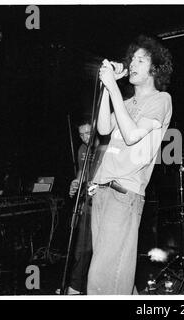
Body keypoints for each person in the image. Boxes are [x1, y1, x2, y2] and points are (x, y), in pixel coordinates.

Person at [87, 35, 173, 295]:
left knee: (103, 276)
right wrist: (106, 88)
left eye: (140, 59)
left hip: (124, 193)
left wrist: (113, 86)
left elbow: (132, 135)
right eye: (131, 59)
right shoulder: (125, 103)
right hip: (103, 189)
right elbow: (103, 127)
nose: (132, 63)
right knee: (113, 271)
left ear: (155, 68)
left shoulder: (161, 99)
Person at [59, 119, 107, 294]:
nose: (85, 137)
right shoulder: (82, 149)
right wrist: (76, 182)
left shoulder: (105, 147)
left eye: (88, 133)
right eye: (81, 134)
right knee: (82, 246)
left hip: (103, 201)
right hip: (87, 201)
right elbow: (81, 171)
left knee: (100, 248)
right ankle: (75, 287)